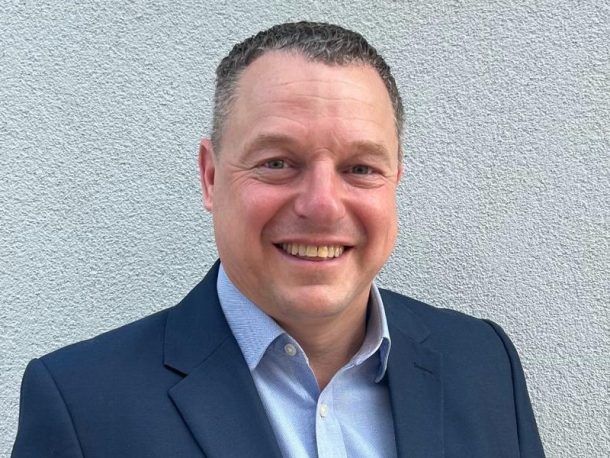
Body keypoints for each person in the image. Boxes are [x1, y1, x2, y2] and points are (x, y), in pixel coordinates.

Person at [12, 21, 545, 457]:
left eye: (360, 168)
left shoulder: (484, 363)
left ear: (395, 181)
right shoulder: (81, 405)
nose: (322, 204)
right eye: (276, 163)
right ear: (211, 178)